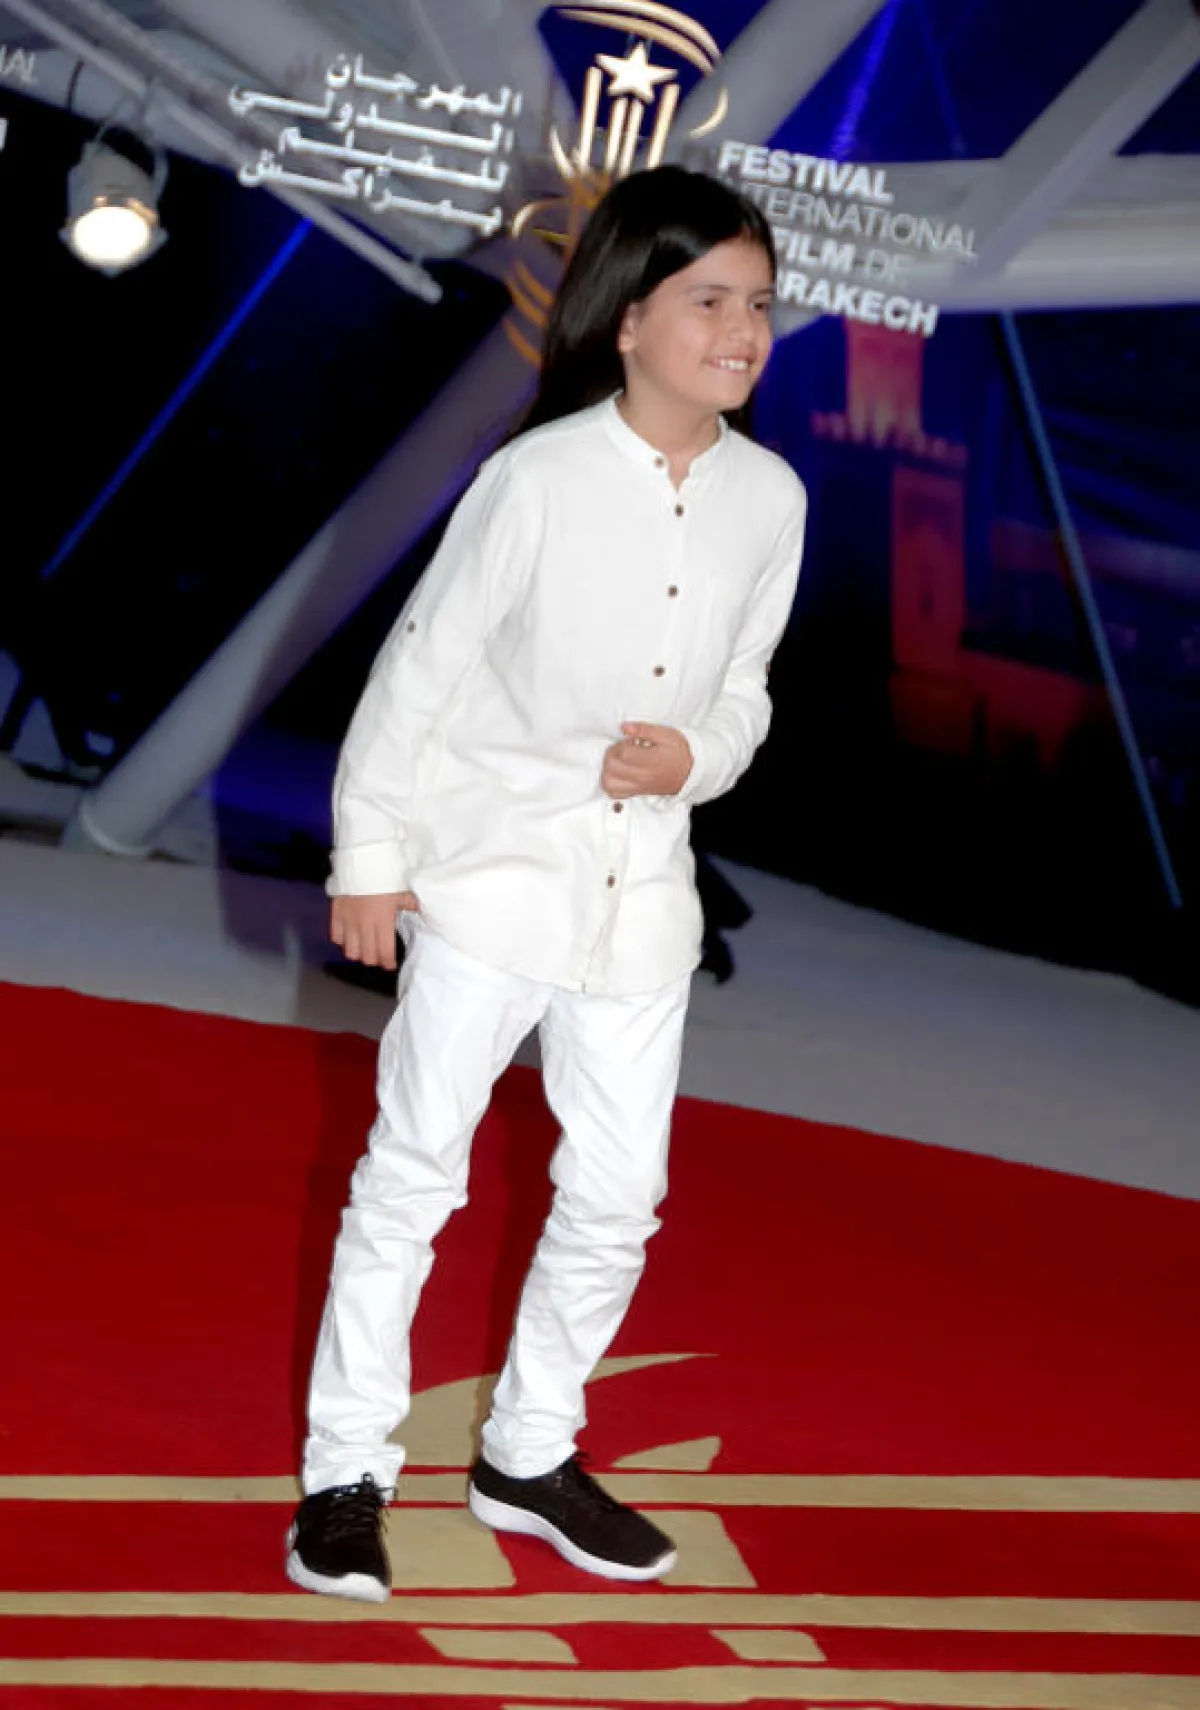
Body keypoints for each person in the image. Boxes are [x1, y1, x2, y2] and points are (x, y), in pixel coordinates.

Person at [285, 164, 808, 1603]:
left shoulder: (772, 497)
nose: (742, 331)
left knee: (621, 1197)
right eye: (709, 300)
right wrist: (370, 860)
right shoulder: (536, 479)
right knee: (412, 1179)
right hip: (489, 880)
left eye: (760, 305)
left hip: (642, 907)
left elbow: (750, 687)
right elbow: (420, 672)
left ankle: (529, 1451)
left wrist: (697, 755)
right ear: (630, 319)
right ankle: (343, 1474)